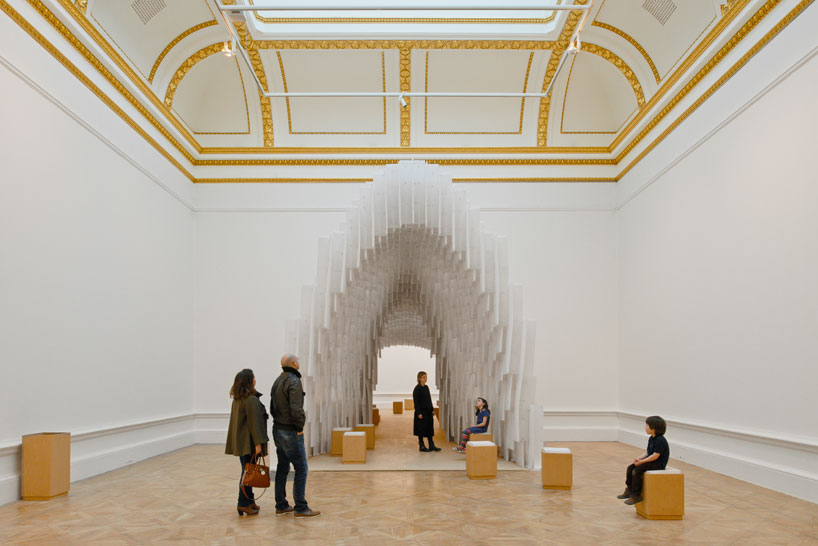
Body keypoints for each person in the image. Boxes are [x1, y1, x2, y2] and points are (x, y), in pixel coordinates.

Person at [270, 354, 320, 518]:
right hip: (290, 430)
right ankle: (300, 507)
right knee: (301, 468)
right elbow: (296, 408)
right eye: (297, 360)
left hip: (278, 428)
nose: (299, 362)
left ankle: (281, 504)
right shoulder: (294, 381)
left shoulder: (278, 380)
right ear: (293, 363)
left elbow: (272, 407)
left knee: (283, 467)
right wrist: (299, 427)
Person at [225, 368, 269, 516]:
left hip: (242, 442)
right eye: (253, 377)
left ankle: (249, 501)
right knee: (247, 473)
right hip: (249, 444)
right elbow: (254, 423)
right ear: (249, 381)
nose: (255, 379)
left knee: (247, 471)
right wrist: (258, 444)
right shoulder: (250, 400)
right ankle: (242, 503)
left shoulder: (238, 399)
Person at [617, 415, 670, 505]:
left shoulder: (660, 440)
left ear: (653, 428)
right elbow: (648, 452)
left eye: (647, 425)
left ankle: (636, 495)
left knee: (637, 470)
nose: (645, 427)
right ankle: (629, 489)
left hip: (658, 464)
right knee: (630, 468)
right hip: (651, 461)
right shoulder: (652, 438)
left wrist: (642, 462)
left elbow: (655, 456)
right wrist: (639, 458)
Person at [413, 371, 440, 452]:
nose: (425, 379)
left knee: (429, 428)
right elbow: (416, 402)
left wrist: (432, 410)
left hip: (428, 412)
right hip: (421, 412)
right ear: (419, 378)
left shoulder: (426, 387)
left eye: (426, 377)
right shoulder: (417, 389)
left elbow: (429, 400)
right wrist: (419, 413)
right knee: (421, 429)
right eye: (423, 377)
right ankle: (421, 446)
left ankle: (431, 445)